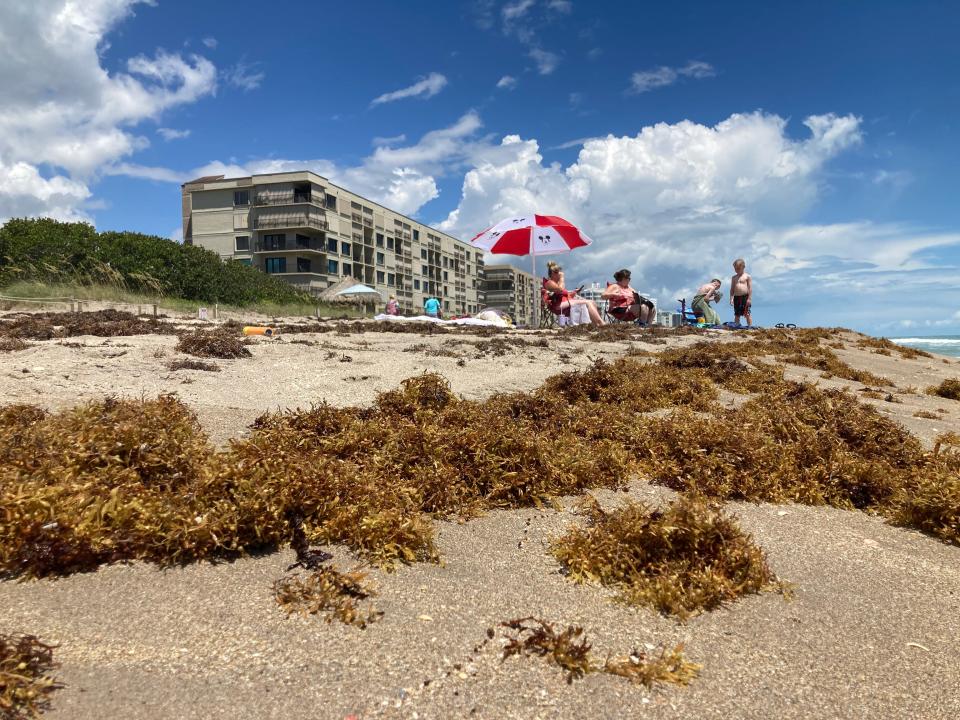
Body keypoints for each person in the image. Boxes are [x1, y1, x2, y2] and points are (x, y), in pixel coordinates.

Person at [542, 261, 605, 325]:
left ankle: (596, 324)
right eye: (558, 272)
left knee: (592, 302)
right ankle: (601, 323)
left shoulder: (556, 282)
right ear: (553, 273)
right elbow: (560, 290)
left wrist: (573, 293)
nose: (560, 274)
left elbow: (562, 295)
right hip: (557, 305)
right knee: (588, 302)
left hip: (565, 303)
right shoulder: (549, 283)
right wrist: (562, 278)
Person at [729, 258, 753, 326]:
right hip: (736, 297)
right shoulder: (734, 277)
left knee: (747, 313)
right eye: (735, 269)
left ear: (743, 267)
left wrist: (749, 298)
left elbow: (750, 288)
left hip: (745, 296)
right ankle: (736, 326)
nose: (737, 270)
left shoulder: (747, 276)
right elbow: (732, 289)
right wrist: (731, 298)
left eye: (738, 268)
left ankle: (750, 327)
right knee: (737, 314)